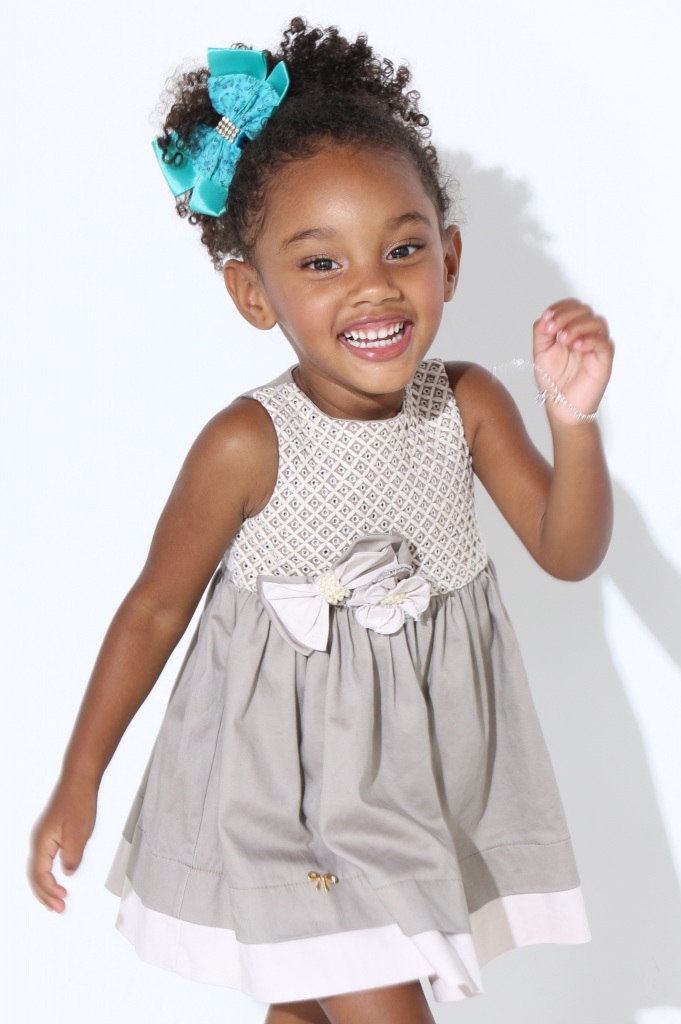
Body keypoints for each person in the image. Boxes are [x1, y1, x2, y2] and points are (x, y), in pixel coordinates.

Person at [28, 17, 614, 1024]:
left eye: (402, 248)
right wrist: (79, 779)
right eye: (320, 264)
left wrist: (575, 423)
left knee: (303, 1010)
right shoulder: (248, 443)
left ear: (450, 258)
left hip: (417, 787)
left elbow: (568, 552)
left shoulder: (467, 405)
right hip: (285, 801)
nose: (374, 285)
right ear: (251, 292)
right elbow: (155, 609)